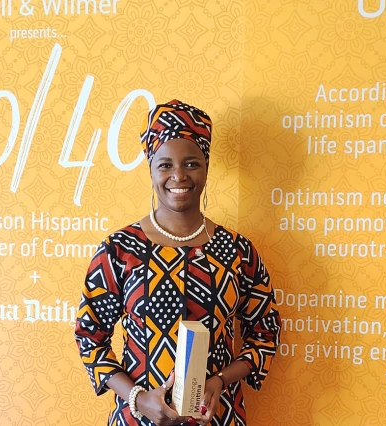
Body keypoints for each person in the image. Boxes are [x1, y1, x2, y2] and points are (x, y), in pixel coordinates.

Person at [74, 100, 281, 426]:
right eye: (165, 165)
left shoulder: (236, 250)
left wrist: (220, 381)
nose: (179, 176)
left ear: (206, 167)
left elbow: (264, 333)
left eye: (191, 164)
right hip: (138, 420)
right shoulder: (120, 249)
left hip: (218, 417)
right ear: (152, 169)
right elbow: (90, 338)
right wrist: (138, 398)